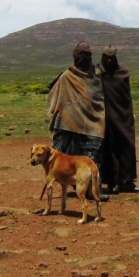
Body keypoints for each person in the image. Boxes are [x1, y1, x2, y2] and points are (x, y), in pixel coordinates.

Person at [47, 41, 110, 201]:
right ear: (76, 56)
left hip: (92, 122)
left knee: (93, 155)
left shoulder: (96, 74)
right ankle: (52, 186)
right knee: (57, 156)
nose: (87, 57)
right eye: (84, 54)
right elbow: (55, 96)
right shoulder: (67, 76)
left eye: (89, 54)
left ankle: (93, 190)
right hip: (68, 123)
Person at [96, 45, 139, 194]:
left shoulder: (122, 73)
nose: (109, 60)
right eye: (106, 58)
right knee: (109, 149)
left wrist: (127, 113)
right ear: (102, 58)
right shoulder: (98, 73)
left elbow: (125, 96)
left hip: (124, 116)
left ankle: (128, 181)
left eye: (111, 58)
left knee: (127, 146)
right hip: (106, 117)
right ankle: (112, 182)